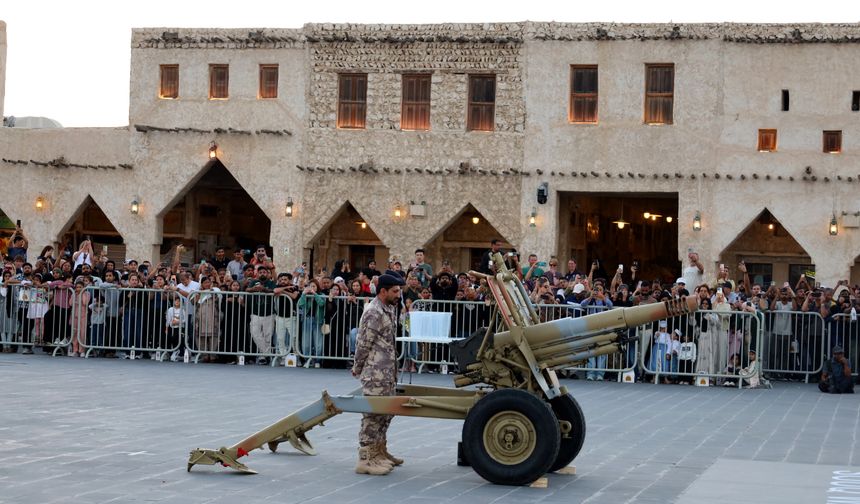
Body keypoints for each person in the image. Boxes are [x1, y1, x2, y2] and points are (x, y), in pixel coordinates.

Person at [352, 273, 404, 475]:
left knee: (385, 412)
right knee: (373, 414)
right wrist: (357, 367)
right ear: (383, 291)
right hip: (375, 373)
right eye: (395, 291)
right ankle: (365, 459)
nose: (398, 295)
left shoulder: (388, 308)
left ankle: (379, 452)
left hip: (387, 371)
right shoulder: (374, 311)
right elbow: (363, 342)